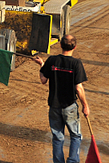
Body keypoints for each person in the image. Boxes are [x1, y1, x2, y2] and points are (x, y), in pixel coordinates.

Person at [33, 35, 90, 163]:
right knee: (75, 136)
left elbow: (43, 80)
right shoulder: (76, 63)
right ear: (75, 47)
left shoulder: (52, 60)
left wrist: (42, 65)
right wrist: (85, 106)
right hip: (69, 106)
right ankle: (72, 161)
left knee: (58, 137)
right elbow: (79, 88)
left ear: (60, 45)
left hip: (54, 106)